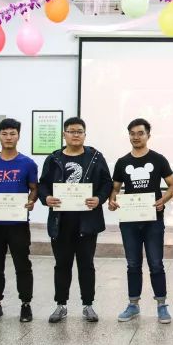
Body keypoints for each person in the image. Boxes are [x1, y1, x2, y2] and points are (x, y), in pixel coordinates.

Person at [38, 117, 113, 323]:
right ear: (64, 134)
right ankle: (61, 305)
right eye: (71, 131)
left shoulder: (95, 157)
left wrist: (99, 199)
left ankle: (88, 305)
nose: (76, 135)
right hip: (60, 222)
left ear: (85, 134)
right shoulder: (54, 158)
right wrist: (46, 198)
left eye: (79, 131)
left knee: (86, 264)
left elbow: (107, 183)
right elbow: (43, 184)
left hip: (87, 222)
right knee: (62, 264)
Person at [109, 118, 173, 324]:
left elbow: (172, 186)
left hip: (153, 219)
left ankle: (162, 305)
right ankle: (133, 305)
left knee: (156, 263)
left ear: (148, 135)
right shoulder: (122, 162)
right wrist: (112, 201)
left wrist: (163, 200)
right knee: (133, 264)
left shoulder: (158, 159)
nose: (136, 137)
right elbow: (115, 189)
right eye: (132, 133)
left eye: (140, 133)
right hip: (129, 221)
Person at [0, 118, 38, 322]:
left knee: (23, 264)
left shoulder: (28, 163)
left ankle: (26, 304)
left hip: (18, 224)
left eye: (12, 133)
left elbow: (34, 188)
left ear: (18, 136)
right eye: (4, 134)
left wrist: (31, 201)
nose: (8, 137)